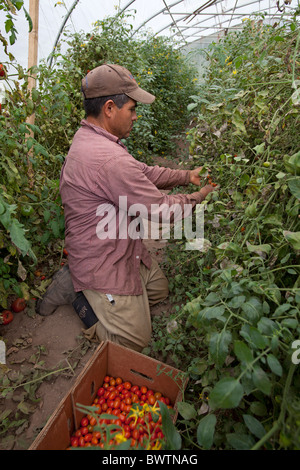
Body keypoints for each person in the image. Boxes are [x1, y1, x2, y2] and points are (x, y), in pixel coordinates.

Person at [36, 63, 215, 352]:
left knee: (159, 290)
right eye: (131, 109)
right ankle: (77, 293)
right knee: (134, 341)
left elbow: (141, 172)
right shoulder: (107, 158)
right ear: (109, 108)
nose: (135, 116)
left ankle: (112, 299)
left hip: (119, 245)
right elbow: (161, 210)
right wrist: (200, 195)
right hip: (101, 259)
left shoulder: (94, 138)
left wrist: (185, 176)